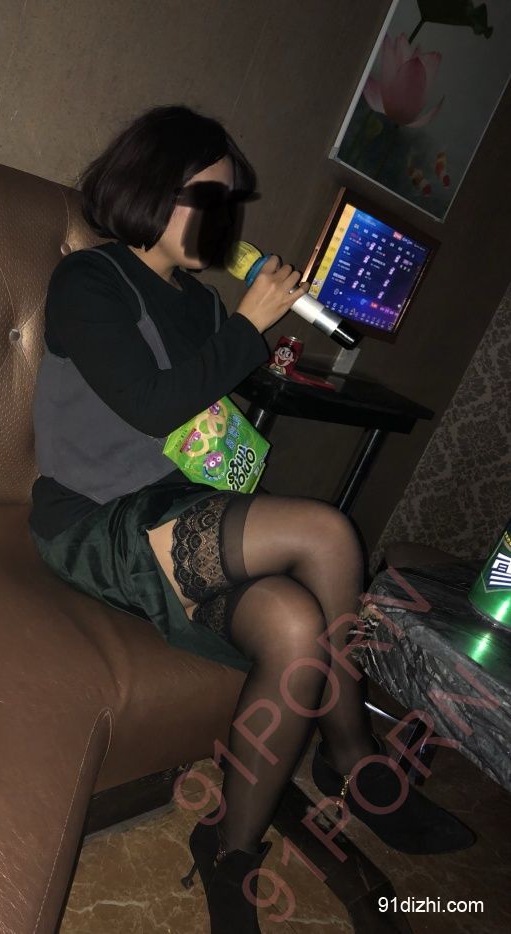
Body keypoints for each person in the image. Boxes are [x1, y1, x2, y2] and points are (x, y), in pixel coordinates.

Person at [28, 105, 474, 933]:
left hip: (177, 511)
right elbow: (152, 402)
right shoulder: (89, 280)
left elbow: (207, 415)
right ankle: (352, 755)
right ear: (153, 186)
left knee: (297, 625)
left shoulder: (200, 304)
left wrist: (264, 343)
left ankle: (229, 847)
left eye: (230, 203)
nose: (226, 217)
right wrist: (249, 322)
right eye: (211, 197)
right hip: (94, 518)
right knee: (327, 533)